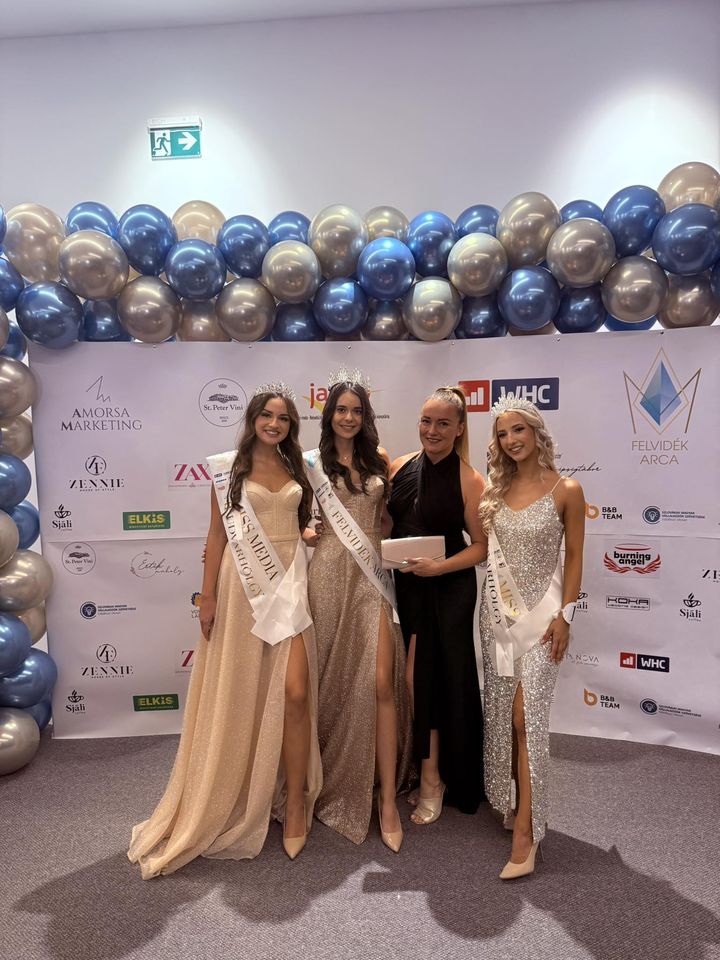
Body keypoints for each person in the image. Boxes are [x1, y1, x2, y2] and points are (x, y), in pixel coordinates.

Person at [128, 385, 321, 877]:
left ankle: (295, 803)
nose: (274, 424)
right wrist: (207, 596)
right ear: (253, 419)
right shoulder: (227, 470)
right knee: (243, 691)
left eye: (283, 418)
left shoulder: (298, 466)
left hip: (290, 582)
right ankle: (238, 791)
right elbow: (216, 535)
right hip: (243, 588)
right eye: (267, 416)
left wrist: (305, 533)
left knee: (296, 693)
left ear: (291, 425)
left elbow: (296, 521)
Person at [477, 394, 584, 880]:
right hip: (497, 619)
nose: (510, 440)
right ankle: (513, 802)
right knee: (503, 715)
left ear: (537, 432)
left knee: (526, 718)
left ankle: (527, 831)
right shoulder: (494, 492)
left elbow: (575, 556)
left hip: (544, 622)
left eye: (518, 430)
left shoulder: (567, 489)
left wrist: (566, 616)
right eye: (502, 434)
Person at [303, 371, 411, 852]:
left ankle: (386, 801)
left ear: (366, 416)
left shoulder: (379, 459)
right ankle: (325, 779)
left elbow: (385, 521)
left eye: (357, 410)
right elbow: (295, 518)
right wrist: (309, 534)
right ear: (329, 415)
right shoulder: (309, 463)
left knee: (382, 682)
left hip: (371, 579)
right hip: (328, 576)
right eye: (341, 410)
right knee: (331, 680)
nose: (349, 418)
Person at [387, 386, 486, 824]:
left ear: (460, 428)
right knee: (414, 681)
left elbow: (480, 547)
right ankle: (426, 769)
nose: (432, 430)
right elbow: (389, 523)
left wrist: (439, 568)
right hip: (408, 587)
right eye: (427, 421)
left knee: (433, 681)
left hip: (449, 590)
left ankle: (434, 780)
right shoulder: (399, 466)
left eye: (444, 423)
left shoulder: (471, 480)